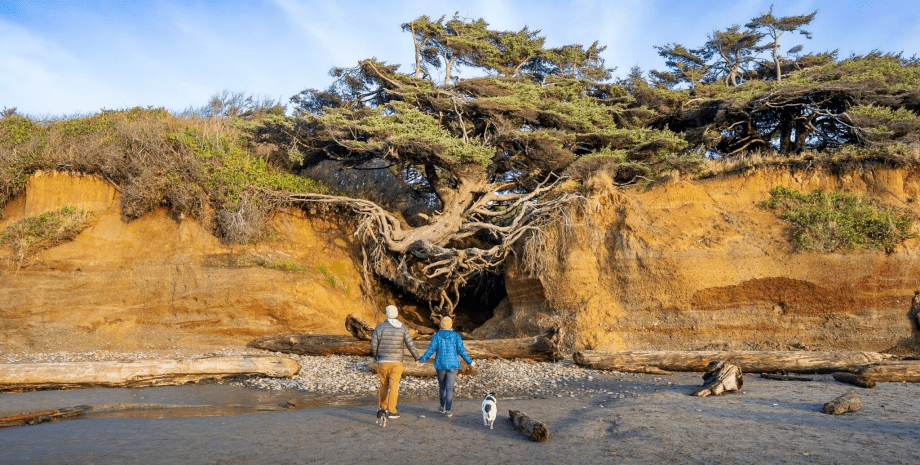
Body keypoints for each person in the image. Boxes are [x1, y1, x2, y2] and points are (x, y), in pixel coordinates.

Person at [370, 304, 421, 419]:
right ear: (396, 314)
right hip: (397, 362)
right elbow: (410, 345)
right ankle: (392, 411)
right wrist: (417, 358)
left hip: (383, 361)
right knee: (394, 387)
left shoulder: (379, 328)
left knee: (383, 385)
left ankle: (382, 408)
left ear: (387, 314)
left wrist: (375, 356)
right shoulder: (402, 328)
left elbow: (373, 345)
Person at [417, 316, 475, 417]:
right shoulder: (456, 336)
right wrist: (470, 362)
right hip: (453, 364)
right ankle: (448, 411)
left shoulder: (437, 335)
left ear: (441, 324)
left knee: (442, 387)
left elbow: (430, 350)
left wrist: (422, 360)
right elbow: (461, 351)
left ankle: (442, 407)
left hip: (440, 364)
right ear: (451, 324)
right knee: (450, 388)